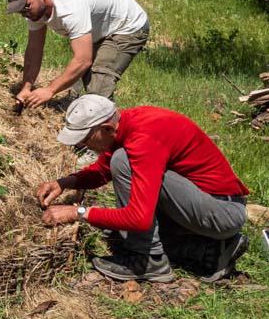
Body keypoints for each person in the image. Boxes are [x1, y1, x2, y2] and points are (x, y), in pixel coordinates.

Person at [38, 95, 249, 283]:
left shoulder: (144, 140)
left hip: (221, 210)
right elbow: (103, 170)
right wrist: (65, 182)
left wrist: (78, 213)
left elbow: (139, 219)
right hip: (205, 206)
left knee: (123, 164)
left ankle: (147, 260)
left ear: (107, 128)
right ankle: (211, 250)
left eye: (86, 138)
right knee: (117, 230)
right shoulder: (127, 123)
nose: (83, 145)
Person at [5, 0, 149, 109]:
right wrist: (26, 88)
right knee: (86, 78)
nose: (25, 14)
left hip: (126, 26)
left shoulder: (69, 7)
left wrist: (50, 90)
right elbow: (34, 50)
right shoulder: (34, 11)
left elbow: (83, 60)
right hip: (99, 25)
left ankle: (112, 129)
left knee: (98, 91)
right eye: (20, 11)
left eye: (26, 7)